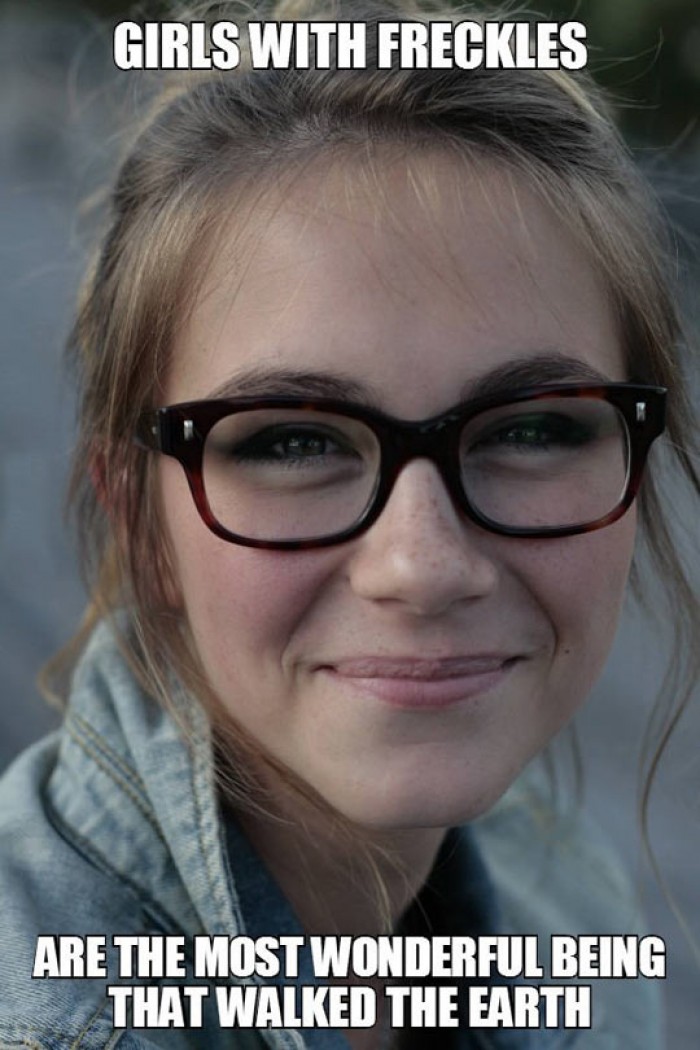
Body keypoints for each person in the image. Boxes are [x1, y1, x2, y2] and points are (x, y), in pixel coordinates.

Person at [0, 1, 697, 1047]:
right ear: (139, 519)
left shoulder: (561, 901)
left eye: (533, 428)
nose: (423, 565)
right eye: (293, 442)